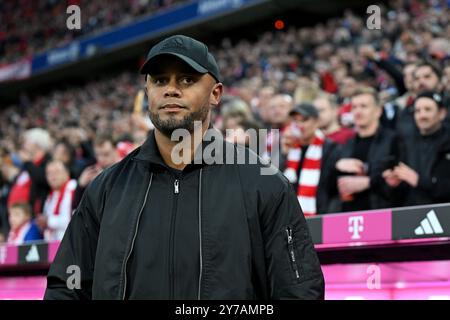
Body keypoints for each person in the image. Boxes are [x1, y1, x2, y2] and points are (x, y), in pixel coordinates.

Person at [44, 35, 324, 300]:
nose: (171, 89)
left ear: (215, 94)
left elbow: (299, 290)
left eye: (187, 79)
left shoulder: (265, 184)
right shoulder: (105, 189)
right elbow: (67, 286)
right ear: (147, 91)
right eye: (160, 80)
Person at [335, 87, 402, 212]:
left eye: (364, 106)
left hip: (382, 215)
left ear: (378, 111)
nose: (358, 111)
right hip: (348, 217)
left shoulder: (394, 140)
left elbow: (399, 183)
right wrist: (336, 165)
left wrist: (369, 182)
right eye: (354, 107)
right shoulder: (347, 143)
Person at [383, 91, 450, 206]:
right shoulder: (405, 142)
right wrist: (394, 184)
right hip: (412, 213)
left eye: (428, 109)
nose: (422, 115)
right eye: (417, 111)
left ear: (442, 113)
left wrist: (419, 181)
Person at [280, 103, 339, 216]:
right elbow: (274, 183)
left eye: (304, 120)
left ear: (316, 122)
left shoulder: (331, 148)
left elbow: (332, 188)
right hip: (290, 218)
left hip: (320, 216)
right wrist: (283, 155)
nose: (300, 125)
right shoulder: (288, 147)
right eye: (295, 121)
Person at [36, 160, 77, 241]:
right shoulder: (50, 196)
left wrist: (48, 221)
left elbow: (71, 220)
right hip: (52, 245)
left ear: (67, 173)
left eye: (57, 172)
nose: (52, 176)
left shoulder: (73, 188)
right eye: (49, 173)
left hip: (70, 243)